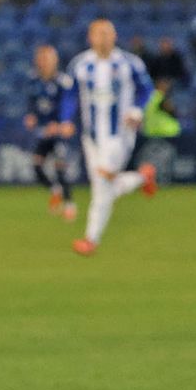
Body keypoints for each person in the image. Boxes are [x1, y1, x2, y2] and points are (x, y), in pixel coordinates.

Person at [64, 20, 157, 256]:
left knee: (103, 184)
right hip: (91, 137)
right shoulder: (80, 64)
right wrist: (66, 119)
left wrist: (137, 110)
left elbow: (147, 90)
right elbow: (70, 95)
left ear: (115, 36)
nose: (103, 38)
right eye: (99, 34)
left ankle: (90, 240)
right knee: (103, 186)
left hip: (120, 135)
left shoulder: (130, 63)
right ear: (90, 37)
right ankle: (141, 177)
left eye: (108, 33)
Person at [23, 44, 78, 221]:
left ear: (55, 61)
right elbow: (33, 105)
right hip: (44, 132)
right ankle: (56, 190)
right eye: (42, 58)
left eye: (48, 58)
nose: (44, 62)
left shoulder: (63, 81)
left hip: (59, 132)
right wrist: (31, 117)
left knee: (60, 167)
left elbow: (69, 105)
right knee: (37, 166)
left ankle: (70, 205)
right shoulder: (33, 80)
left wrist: (62, 123)